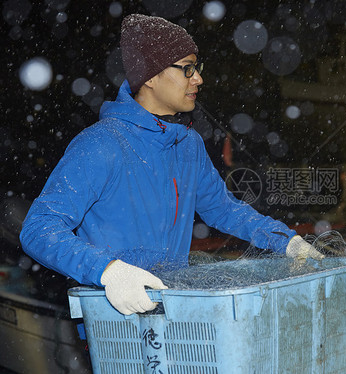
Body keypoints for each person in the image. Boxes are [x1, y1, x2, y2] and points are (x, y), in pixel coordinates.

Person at [20, 14, 323, 316]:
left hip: (172, 315)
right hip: (113, 320)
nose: (199, 79)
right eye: (187, 69)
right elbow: (38, 228)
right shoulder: (101, 145)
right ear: (150, 77)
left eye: (197, 68)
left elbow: (223, 208)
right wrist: (108, 272)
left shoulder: (187, 145)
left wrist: (286, 241)